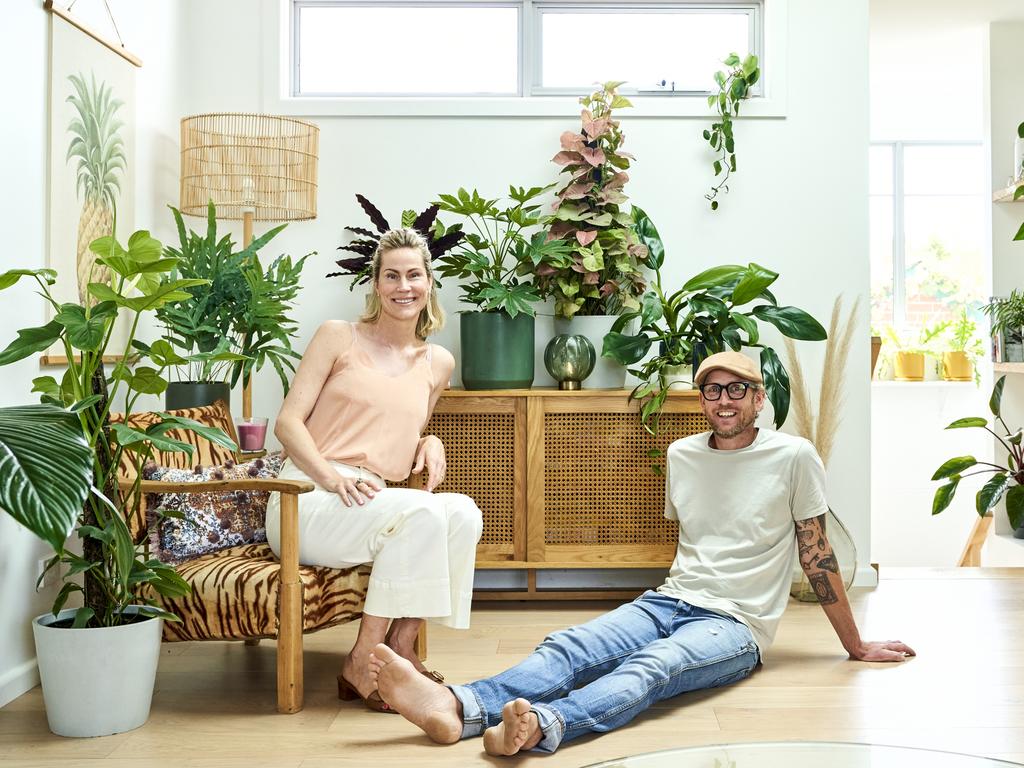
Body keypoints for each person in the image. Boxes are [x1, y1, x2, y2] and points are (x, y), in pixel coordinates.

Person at [367, 350, 915, 754]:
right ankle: (458, 707)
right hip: (669, 600)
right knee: (571, 647)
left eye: (736, 389)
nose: (723, 400)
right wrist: (668, 605)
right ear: (701, 399)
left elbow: (816, 557)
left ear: (759, 397)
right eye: (712, 390)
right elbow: (695, 541)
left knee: (656, 666)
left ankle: (540, 725)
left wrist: (856, 644)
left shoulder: (794, 457)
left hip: (736, 626)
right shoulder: (684, 454)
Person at [267, 227, 483, 713]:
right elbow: (287, 423)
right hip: (306, 497)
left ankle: (401, 646)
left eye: (413, 275)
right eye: (392, 276)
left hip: (374, 499)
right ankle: (361, 659)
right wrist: (330, 476)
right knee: (422, 512)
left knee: (463, 512)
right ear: (376, 285)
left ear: (429, 282)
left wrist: (430, 439)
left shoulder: (438, 362)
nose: (403, 286)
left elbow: (398, 435)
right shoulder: (337, 336)